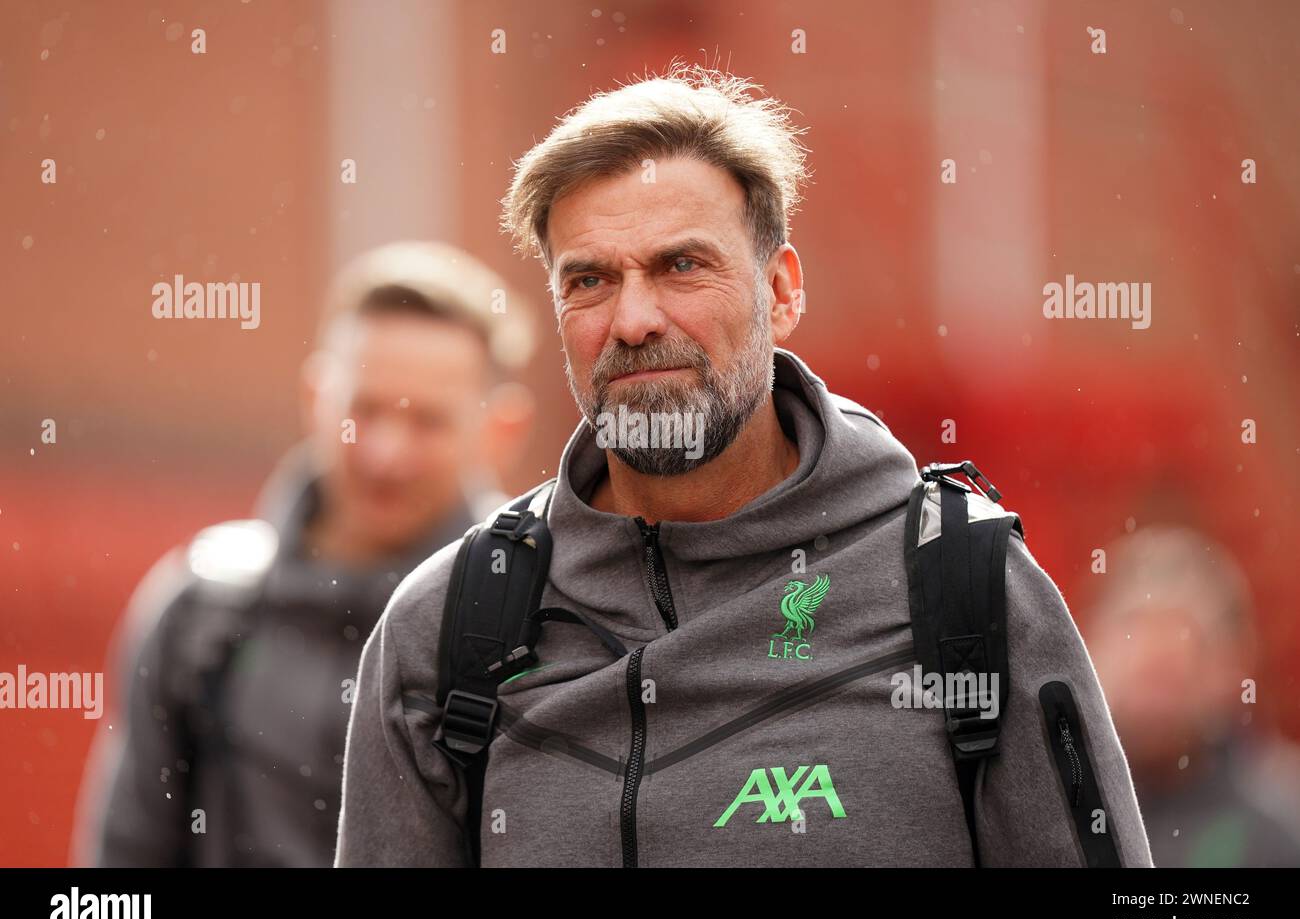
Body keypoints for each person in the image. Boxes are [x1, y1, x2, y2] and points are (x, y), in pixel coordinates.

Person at [335, 65, 1153, 867]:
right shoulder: (450, 624)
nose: (633, 319)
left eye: (680, 266)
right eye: (588, 279)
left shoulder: (966, 588)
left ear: (781, 290)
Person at [75, 241, 535, 866]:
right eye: (364, 411)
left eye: (427, 421)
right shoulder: (202, 610)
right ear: (316, 397)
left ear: (500, 429)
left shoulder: (540, 622)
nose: (385, 454)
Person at [1085, 525, 1300, 867]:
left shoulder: (1280, 822)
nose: (1154, 700)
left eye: (1169, 671)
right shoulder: (1058, 803)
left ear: (1232, 668)